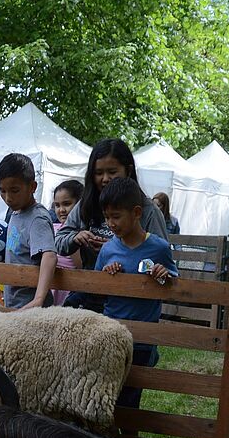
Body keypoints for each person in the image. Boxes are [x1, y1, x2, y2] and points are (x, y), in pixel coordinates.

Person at [55, 138, 169, 312]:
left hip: (129, 303)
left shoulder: (149, 211)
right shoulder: (86, 204)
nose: (105, 179)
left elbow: (160, 257)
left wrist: (119, 250)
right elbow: (59, 241)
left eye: (112, 172)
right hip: (90, 291)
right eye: (98, 173)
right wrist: (75, 238)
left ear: (128, 170)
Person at [95, 177, 178, 409]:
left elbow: (174, 282)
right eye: (106, 217)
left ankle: (128, 430)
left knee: (131, 396)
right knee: (108, 393)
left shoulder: (159, 247)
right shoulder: (108, 249)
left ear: (137, 213)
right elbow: (95, 286)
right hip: (111, 332)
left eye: (116, 216)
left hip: (143, 336)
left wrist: (163, 275)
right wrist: (107, 274)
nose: (110, 223)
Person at [0, 153, 58, 310]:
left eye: (14, 190)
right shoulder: (14, 213)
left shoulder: (37, 218)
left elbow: (49, 255)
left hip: (32, 311)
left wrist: (38, 299)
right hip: (15, 305)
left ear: (32, 187)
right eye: (2, 190)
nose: (8, 198)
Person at [50, 179, 83, 306]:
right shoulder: (52, 228)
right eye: (57, 205)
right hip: (50, 288)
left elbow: (80, 266)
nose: (61, 210)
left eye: (67, 204)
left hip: (69, 290)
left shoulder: (80, 234)